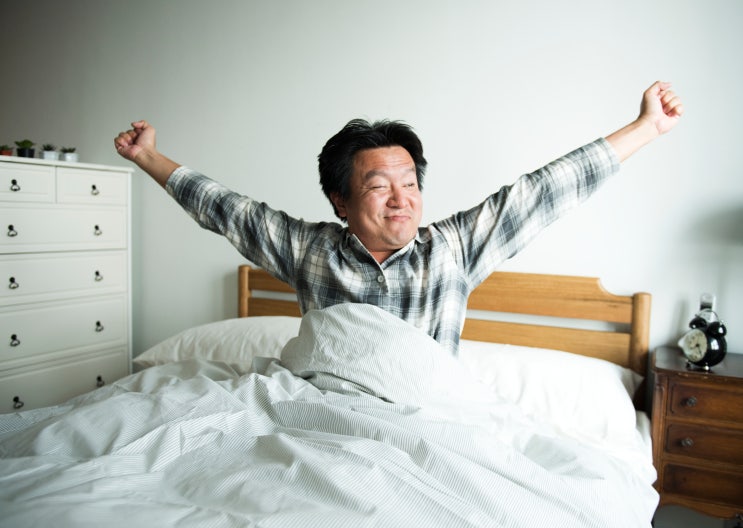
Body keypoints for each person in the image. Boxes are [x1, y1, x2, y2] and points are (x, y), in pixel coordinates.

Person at [114, 81, 683, 355]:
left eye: (410, 184)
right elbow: (224, 208)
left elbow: (545, 191)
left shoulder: (455, 250)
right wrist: (147, 157)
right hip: (324, 413)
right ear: (340, 201)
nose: (401, 199)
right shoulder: (309, 251)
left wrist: (646, 128)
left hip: (424, 416)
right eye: (379, 186)